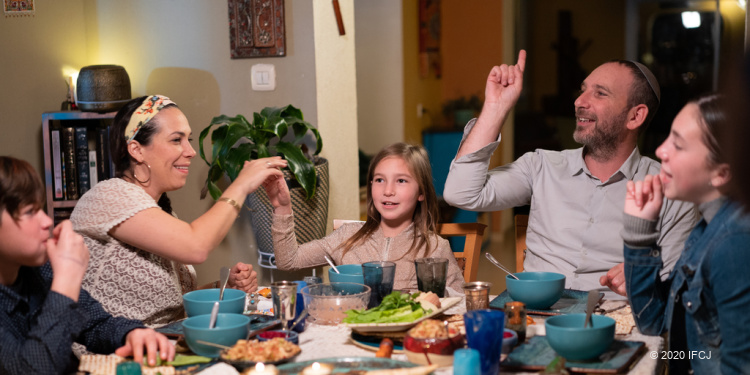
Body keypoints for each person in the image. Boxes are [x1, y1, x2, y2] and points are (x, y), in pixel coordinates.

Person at [443, 50, 697, 298]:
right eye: (583, 90)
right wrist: (495, 108)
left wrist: (644, 275)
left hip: (615, 320)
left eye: (600, 93)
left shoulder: (671, 192)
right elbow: (461, 194)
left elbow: (678, 283)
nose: (579, 101)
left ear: (635, 116)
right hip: (535, 316)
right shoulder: (541, 165)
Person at [70, 95, 286, 326]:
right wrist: (241, 184)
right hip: (117, 355)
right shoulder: (108, 197)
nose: (191, 151)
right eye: (176, 140)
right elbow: (197, 247)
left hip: (168, 345)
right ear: (136, 150)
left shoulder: (160, 213)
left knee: (279, 321)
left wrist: (223, 287)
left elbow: (170, 308)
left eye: (189, 140)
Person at [0, 156, 175, 374]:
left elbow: (96, 324)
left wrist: (131, 334)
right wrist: (66, 279)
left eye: (41, 209)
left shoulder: (39, 270)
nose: (46, 221)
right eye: (29, 212)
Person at [622, 94, 750, 373]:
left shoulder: (735, 244)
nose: (660, 150)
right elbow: (655, 323)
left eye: (678, 145)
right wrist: (639, 235)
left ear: (721, 173)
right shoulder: (706, 228)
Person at [266, 142, 465, 294]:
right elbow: (287, 261)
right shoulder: (347, 236)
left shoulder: (435, 247)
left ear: (421, 192)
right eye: (379, 180)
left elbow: (460, 301)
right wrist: (282, 208)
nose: (388, 191)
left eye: (401, 181)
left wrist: (437, 297)